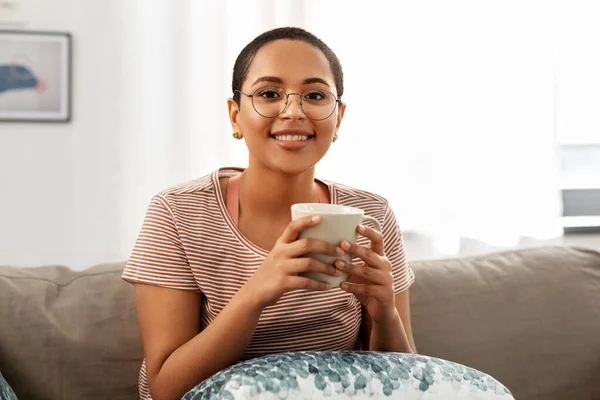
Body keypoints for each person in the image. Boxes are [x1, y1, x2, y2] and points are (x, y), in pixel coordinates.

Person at [122, 26, 416, 400]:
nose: (293, 112)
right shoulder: (179, 213)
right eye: (269, 94)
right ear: (235, 116)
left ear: (338, 119)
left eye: (314, 95)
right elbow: (167, 389)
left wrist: (384, 312)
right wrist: (258, 291)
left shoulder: (371, 214)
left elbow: (408, 382)